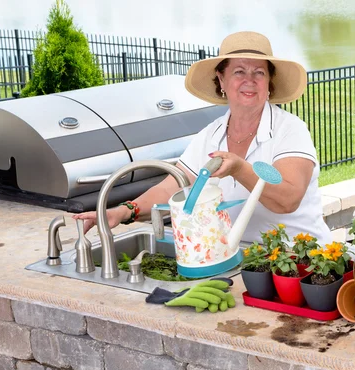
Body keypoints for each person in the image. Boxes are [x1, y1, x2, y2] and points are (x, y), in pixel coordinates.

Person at [74, 31, 332, 245]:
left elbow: (288, 199)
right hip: (241, 258)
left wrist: (240, 169)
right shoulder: (211, 135)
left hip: (301, 260)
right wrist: (123, 212)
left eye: (259, 73)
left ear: (269, 82)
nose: (249, 81)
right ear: (221, 79)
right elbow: (171, 187)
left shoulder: (290, 130)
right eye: (239, 72)